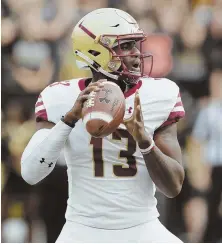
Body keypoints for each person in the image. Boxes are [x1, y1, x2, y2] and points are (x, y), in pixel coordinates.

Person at [21, 8, 185, 242]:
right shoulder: (60, 98)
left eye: (135, 44)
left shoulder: (158, 94)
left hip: (143, 226)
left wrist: (145, 141)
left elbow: (173, 187)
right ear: (95, 51)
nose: (137, 53)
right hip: (83, 229)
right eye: (125, 46)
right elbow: (31, 173)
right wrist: (68, 120)